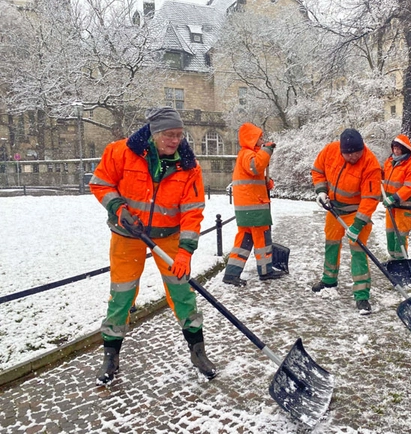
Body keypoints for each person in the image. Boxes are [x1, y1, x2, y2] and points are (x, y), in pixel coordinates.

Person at [89, 106, 216, 386]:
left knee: (182, 293)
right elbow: (101, 183)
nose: (175, 141)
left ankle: (198, 352)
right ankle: (111, 355)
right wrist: (118, 208)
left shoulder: (188, 165)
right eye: (169, 135)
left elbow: (193, 211)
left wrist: (185, 251)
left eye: (179, 135)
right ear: (154, 133)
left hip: (169, 237)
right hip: (127, 233)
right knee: (121, 294)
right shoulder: (120, 152)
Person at [311, 128, 381, 314]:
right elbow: (317, 171)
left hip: (357, 212)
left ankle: (362, 296)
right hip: (334, 209)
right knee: (331, 243)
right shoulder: (330, 151)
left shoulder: (370, 164)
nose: (353, 157)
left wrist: (358, 225)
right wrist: (321, 191)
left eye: (356, 153)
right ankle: (329, 279)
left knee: (358, 250)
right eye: (348, 154)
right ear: (341, 150)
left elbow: (370, 198)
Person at [222, 122, 286, 287]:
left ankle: (231, 273)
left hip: (247, 207)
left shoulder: (246, 154)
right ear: (252, 139)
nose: (262, 140)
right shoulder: (248, 154)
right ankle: (266, 271)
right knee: (262, 240)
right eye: (259, 137)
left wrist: (267, 183)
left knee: (244, 241)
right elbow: (256, 167)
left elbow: (253, 177)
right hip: (255, 207)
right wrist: (267, 150)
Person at [381, 134, 411, 259]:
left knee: (400, 234)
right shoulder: (390, 161)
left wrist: (394, 198)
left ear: (404, 149)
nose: (396, 150)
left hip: (403, 206)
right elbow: (386, 177)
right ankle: (393, 258)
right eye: (394, 148)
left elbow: (409, 187)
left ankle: (401, 260)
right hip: (390, 205)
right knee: (390, 232)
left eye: (398, 148)